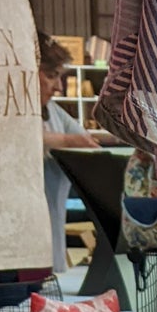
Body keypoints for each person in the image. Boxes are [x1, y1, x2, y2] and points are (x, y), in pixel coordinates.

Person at [39, 33, 102, 274]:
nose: (59, 87)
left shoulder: (53, 111)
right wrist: (66, 140)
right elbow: (27, 136)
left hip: (54, 231)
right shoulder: (13, 118)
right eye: (51, 76)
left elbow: (86, 141)